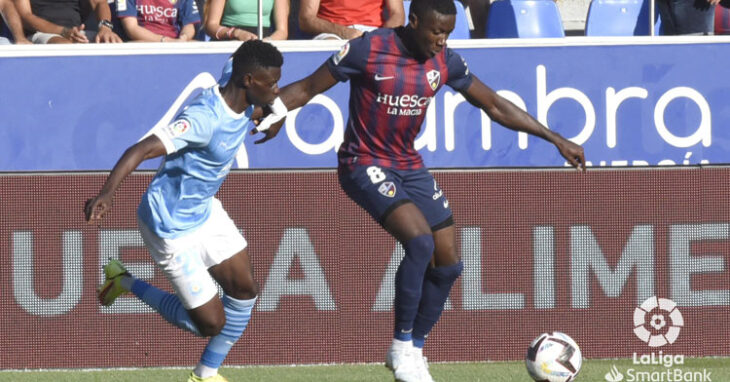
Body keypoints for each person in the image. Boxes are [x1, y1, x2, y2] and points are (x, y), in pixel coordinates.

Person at [252, 0, 586, 381]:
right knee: (421, 243)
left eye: (448, 32)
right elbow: (310, 86)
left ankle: (415, 348)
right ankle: (400, 347)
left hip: (408, 164)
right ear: (413, 22)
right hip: (363, 163)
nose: (442, 40)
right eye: (436, 31)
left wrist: (554, 137)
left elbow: (493, 104)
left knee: (449, 262)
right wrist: (276, 112)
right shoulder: (368, 49)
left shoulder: (445, 62)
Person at [85, 40, 283, 382]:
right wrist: (107, 192)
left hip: (205, 213)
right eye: (271, 84)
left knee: (245, 290)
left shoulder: (238, 77)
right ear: (249, 81)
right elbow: (142, 148)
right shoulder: (204, 119)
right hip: (168, 225)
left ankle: (204, 376)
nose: (276, 89)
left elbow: (281, 89)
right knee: (210, 323)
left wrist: (277, 113)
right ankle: (124, 280)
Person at [14, 0, 122, 43]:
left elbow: (100, 3)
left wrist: (105, 28)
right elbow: (25, 16)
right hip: (40, 34)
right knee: (65, 47)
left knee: (113, 43)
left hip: (77, 34)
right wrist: (63, 31)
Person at [298, 0, 404, 40]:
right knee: (331, 45)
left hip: (373, 32)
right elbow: (306, 19)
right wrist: (343, 32)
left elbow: (397, 15)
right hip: (332, 33)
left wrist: (380, 37)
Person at [116, 0, 200, 42]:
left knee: (198, 45)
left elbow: (189, 25)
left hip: (175, 42)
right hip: (145, 42)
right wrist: (163, 40)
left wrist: (184, 37)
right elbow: (131, 29)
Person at [205, 0, 289, 41]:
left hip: (263, 41)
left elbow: (282, 31)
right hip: (230, 40)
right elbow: (211, 25)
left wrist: (267, 42)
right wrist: (236, 33)